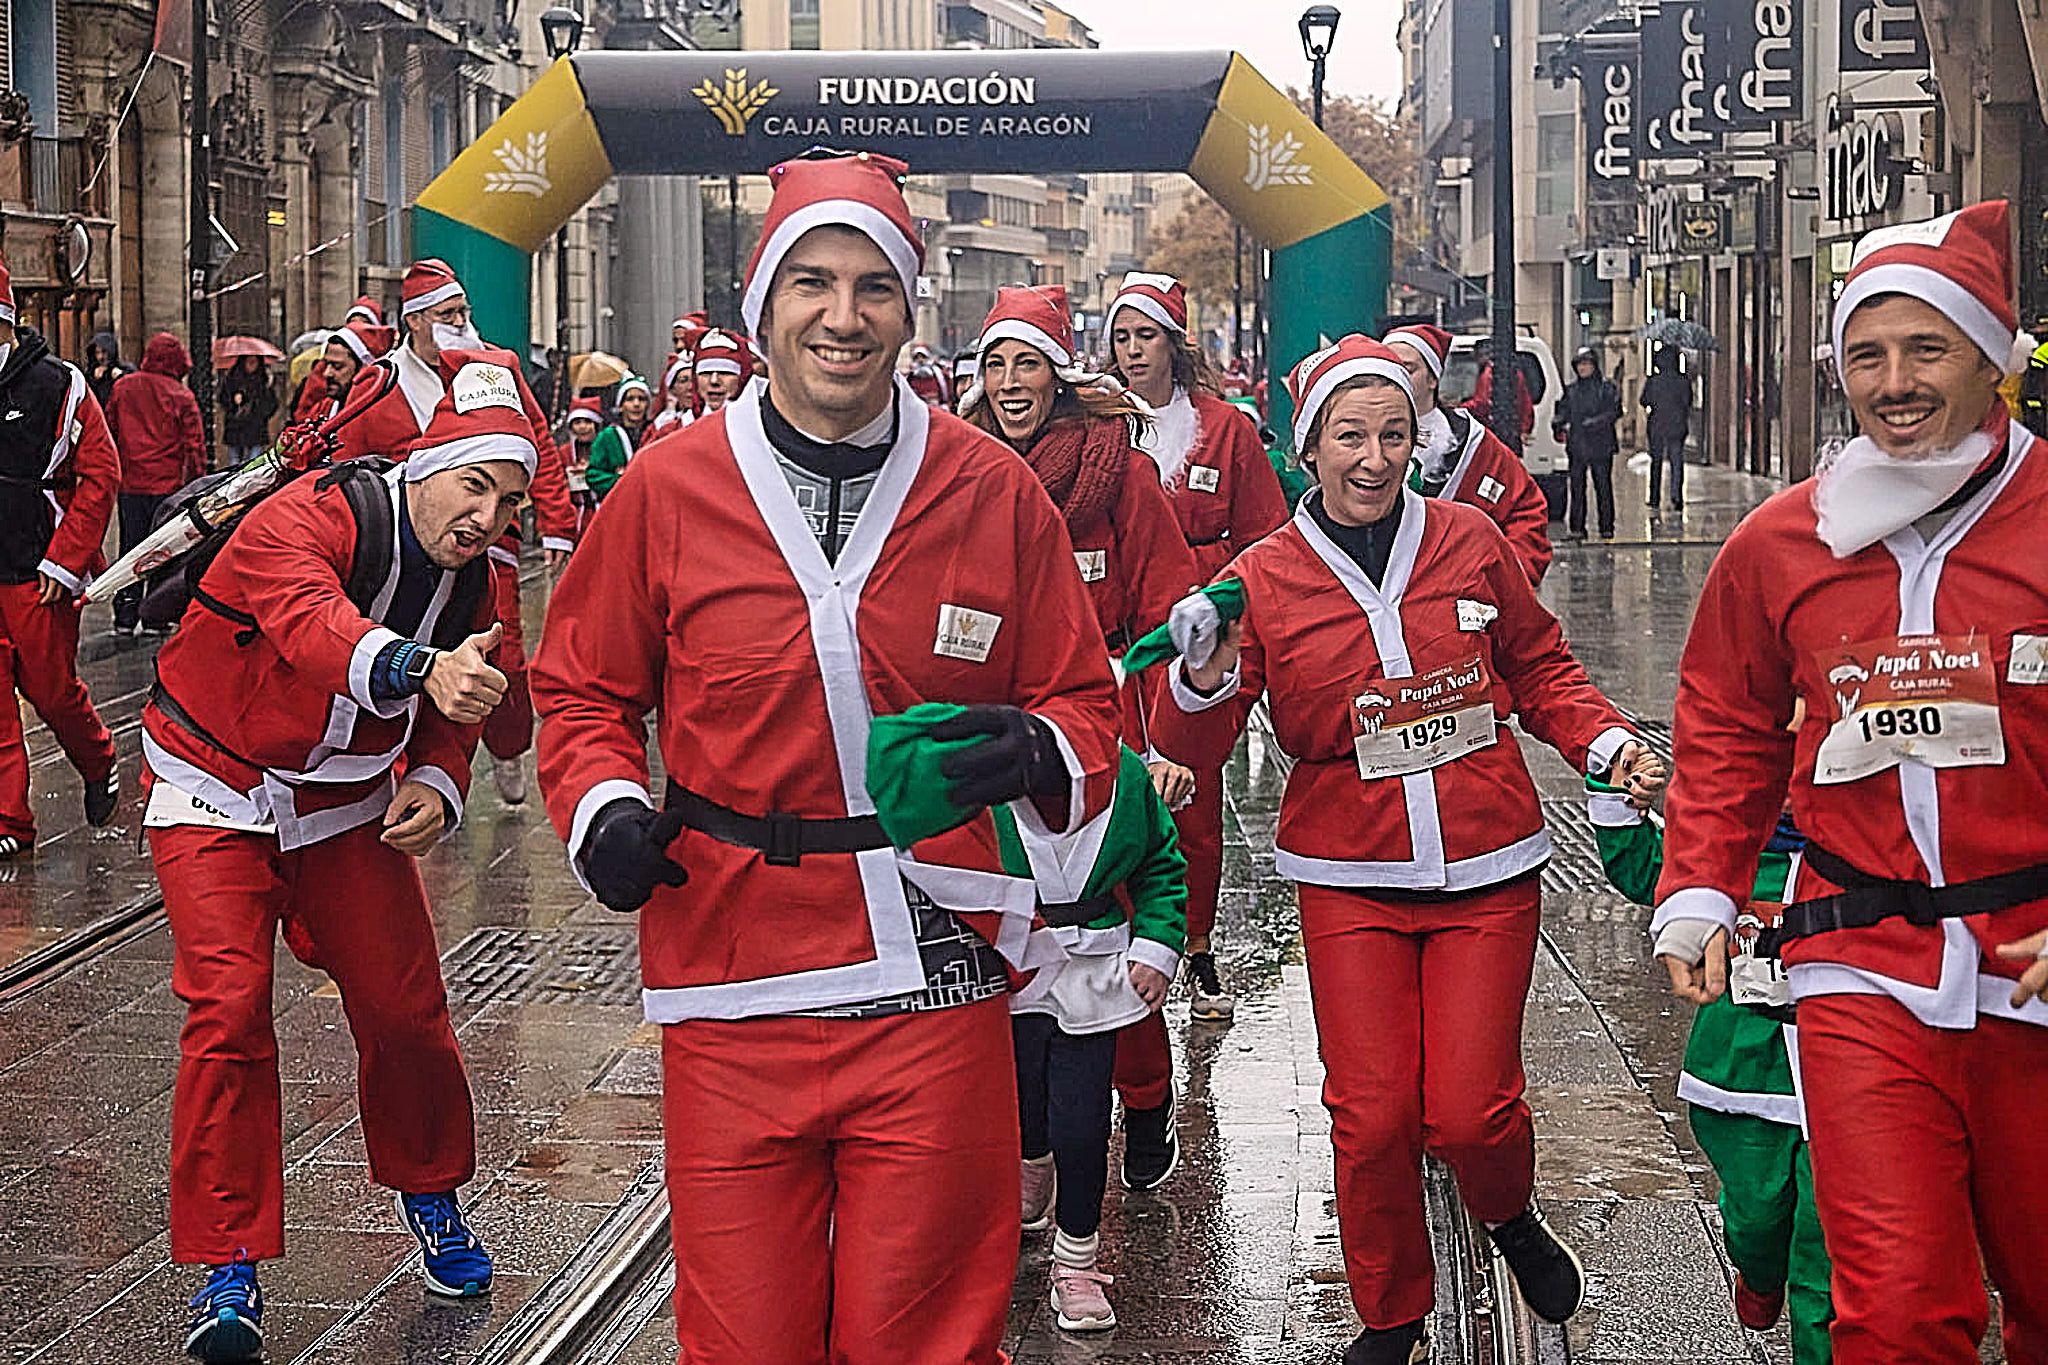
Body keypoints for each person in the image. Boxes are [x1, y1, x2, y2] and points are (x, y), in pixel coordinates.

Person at [529, 149, 1121, 1365]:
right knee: (746, 1341)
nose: (841, 317)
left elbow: (1080, 696)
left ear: (910, 311)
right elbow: (580, 686)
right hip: (734, 975)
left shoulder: (991, 490)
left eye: (872, 287)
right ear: (763, 307)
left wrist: (1039, 747)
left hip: (938, 974)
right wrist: (600, 809)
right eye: (810, 282)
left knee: (928, 1343)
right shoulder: (666, 487)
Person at [1152, 334, 1665, 1364]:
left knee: (1471, 1113)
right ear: (1310, 448)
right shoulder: (1260, 577)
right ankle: (1391, 1314)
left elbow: (1539, 667)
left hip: (1485, 864)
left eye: (1393, 433)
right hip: (1349, 877)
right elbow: (1192, 743)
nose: (1374, 457)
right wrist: (1199, 677)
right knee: (1373, 1115)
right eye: (1349, 435)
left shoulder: (1468, 539)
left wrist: (1608, 742)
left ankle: (1508, 1214)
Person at [1652, 200, 2048, 1365]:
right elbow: (1725, 718)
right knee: (1891, 1312)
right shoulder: (1782, 541)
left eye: (1925, 349)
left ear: (1991, 360)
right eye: (1864, 355)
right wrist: (1700, 889)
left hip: (2031, 964)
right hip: (1858, 961)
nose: (1893, 383)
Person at [149, 352, 533, 1364]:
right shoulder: (310, 516)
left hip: (347, 804)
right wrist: (420, 672)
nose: (487, 515)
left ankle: (431, 1193)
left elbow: (479, 689)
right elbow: (316, 629)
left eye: (509, 498)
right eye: (473, 484)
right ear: (424, 465)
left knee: (406, 1010)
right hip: (214, 786)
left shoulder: (481, 583)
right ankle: (226, 1265)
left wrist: (438, 781)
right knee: (227, 1011)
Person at [963, 282, 1202, 1192]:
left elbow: (1174, 615)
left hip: (1109, 745)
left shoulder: (1121, 476)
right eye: (997, 363)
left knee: (1114, 947)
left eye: (1030, 362)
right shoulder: (955, 471)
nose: (1013, 381)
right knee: (1016, 952)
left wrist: (1168, 743)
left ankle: (1144, 1100)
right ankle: (1029, 1147)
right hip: (1001, 742)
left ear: (1059, 377)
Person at [1591, 782, 1832, 1362]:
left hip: (1845, 1083)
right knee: (1758, 1216)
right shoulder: (1721, 850)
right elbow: (1646, 867)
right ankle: (1757, 1270)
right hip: (1741, 1080)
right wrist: (1613, 780)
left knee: (1826, 1259)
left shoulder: (1868, 852)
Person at [328, 258, 580, 806]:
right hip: (396, 554)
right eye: (447, 313)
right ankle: (402, 769)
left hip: (488, 550)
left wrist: (557, 523)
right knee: (403, 658)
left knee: (504, 658)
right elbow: (341, 465)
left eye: (464, 311)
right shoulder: (381, 382)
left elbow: (536, 441)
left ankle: (509, 744)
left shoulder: (493, 368)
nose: (460, 321)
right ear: (414, 320)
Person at [1107, 271, 1288, 1025]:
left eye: (1145, 335)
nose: (1131, 351)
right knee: (1117, 780)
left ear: (1174, 346)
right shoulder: (1101, 428)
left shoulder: (1229, 429)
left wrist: (1240, 628)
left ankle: (1198, 940)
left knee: (1195, 789)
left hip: (1203, 643)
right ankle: (1125, 934)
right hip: (1127, 638)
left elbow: (1267, 540)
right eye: (1120, 337)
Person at [1005, 744, 1187, 1332]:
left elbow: (1161, 864)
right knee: (1020, 1099)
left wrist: (1157, 946)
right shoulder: (977, 764)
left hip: (1095, 969)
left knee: (1081, 1123)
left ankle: (1077, 1259)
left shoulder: (1124, 773)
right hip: (1006, 963)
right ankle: (1032, 1168)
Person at [0, 255, 123, 856]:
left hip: (36, 572)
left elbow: (101, 474)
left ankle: (98, 758)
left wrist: (64, 560)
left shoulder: (60, 384)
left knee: (51, 691)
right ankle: (9, 824)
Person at [1383, 323, 1553, 584]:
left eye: (1407, 369)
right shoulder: (1352, 443)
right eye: (1385, 369)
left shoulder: (1476, 446)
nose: (1394, 378)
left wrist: (1500, 578)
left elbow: (1525, 511)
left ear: (1432, 379)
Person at [105, 331, 207, 636]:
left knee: (130, 547)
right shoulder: (180, 395)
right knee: (165, 550)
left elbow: (109, 431)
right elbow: (195, 444)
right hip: (168, 486)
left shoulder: (123, 387)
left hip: (131, 484)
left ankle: (125, 612)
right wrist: (197, 481)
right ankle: (155, 615)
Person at [1553, 347, 1619, 541]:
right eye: (1580, 364)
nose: (1583, 368)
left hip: (1600, 444)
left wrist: (1596, 422)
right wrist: (1558, 421)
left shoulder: (1606, 388)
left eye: (1586, 364)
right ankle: (1577, 527)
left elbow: (1613, 411)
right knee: (1577, 487)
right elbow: (1564, 410)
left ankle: (1606, 526)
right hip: (1578, 444)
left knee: (1603, 486)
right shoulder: (1572, 390)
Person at [308, 319, 395, 424]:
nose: (327, 373)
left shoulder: (380, 416)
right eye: (326, 364)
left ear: (363, 368)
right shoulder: (323, 410)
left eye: (337, 366)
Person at [586, 375, 652, 500]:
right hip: (619, 503)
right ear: (621, 406)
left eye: (642, 399)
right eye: (630, 399)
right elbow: (593, 475)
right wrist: (621, 480)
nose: (636, 404)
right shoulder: (607, 436)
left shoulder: (654, 433)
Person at [1643, 345, 1692, 513]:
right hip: (1677, 424)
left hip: (1657, 424)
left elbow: (1644, 400)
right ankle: (1676, 496)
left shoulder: (1653, 381)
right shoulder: (1682, 380)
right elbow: (1687, 401)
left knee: (1656, 462)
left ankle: (1654, 497)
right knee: (1676, 461)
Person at [218, 355, 278, 465]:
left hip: (256, 428)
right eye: (249, 361)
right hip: (236, 427)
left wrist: (260, 413)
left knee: (253, 463)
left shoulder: (264, 380)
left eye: (254, 362)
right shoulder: (232, 379)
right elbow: (223, 399)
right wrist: (233, 401)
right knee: (234, 463)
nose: (251, 365)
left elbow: (272, 404)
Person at [1465, 355, 1535, 442]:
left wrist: (1459, 408)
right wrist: (1524, 429)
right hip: (1512, 432)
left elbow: (1482, 403)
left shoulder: (1489, 374)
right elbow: (1526, 405)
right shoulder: (1515, 372)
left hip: (1495, 431)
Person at [689, 329, 755, 417]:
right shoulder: (675, 428)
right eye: (706, 373)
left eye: (724, 372)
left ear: (742, 378)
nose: (714, 381)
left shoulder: (760, 427)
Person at [560, 397, 603, 528]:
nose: (583, 427)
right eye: (577, 422)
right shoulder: (565, 452)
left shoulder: (606, 448)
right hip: (574, 515)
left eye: (588, 421)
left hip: (602, 511)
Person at [84, 330, 132, 409]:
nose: (100, 357)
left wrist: (121, 377)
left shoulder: (125, 370)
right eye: (97, 353)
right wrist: (94, 380)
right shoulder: (90, 374)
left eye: (104, 352)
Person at [650, 357, 695, 436]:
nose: (690, 387)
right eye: (683, 381)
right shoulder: (660, 424)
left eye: (694, 380)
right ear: (672, 388)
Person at [906, 342, 951, 408]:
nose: (920, 360)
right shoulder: (910, 377)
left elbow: (947, 391)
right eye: (917, 358)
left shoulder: (939, 375)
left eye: (923, 357)